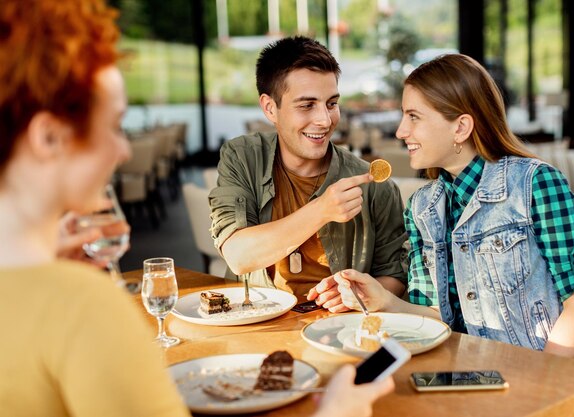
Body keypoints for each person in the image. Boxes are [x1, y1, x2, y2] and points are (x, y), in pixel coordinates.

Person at [0, 1, 393, 415]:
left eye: (331, 102)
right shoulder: (85, 307)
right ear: (47, 138)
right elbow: (239, 254)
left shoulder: (47, 295)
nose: (124, 150)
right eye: (113, 126)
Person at [334, 54, 574, 360]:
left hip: (545, 382)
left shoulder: (536, 184)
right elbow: (438, 316)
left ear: (460, 127)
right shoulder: (421, 207)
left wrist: (540, 379)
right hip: (468, 376)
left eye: (414, 117)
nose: (400, 131)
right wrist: (383, 300)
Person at [209, 36, 407, 311]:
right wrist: (322, 210)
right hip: (255, 320)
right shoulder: (242, 157)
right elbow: (239, 256)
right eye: (306, 105)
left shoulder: (373, 184)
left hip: (337, 328)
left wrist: (357, 296)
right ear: (270, 108)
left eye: (331, 103)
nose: (325, 121)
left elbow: (395, 274)